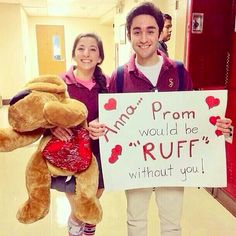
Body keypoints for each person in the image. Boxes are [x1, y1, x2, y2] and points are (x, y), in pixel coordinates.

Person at [89, 2, 232, 236]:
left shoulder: (178, 71)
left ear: (159, 32)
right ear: (129, 35)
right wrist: (97, 126)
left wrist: (214, 124)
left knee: (171, 224)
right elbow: (109, 119)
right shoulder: (121, 76)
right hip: (135, 164)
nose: (144, 38)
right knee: (136, 221)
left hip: (171, 165)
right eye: (137, 31)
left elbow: (192, 116)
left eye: (150, 30)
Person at [50, 33, 108, 236]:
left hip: (99, 154)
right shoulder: (60, 84)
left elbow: (118, 115)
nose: (86, 53)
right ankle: (75, 231)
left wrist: (103, 124)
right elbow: (46, 113)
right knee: (77, 209)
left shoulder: (107, 84)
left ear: (100, 57)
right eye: (81, 48)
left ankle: (89, 229)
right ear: (74, 54)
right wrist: (53, 127)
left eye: (93, 49)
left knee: (92, 202)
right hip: (70, 155)